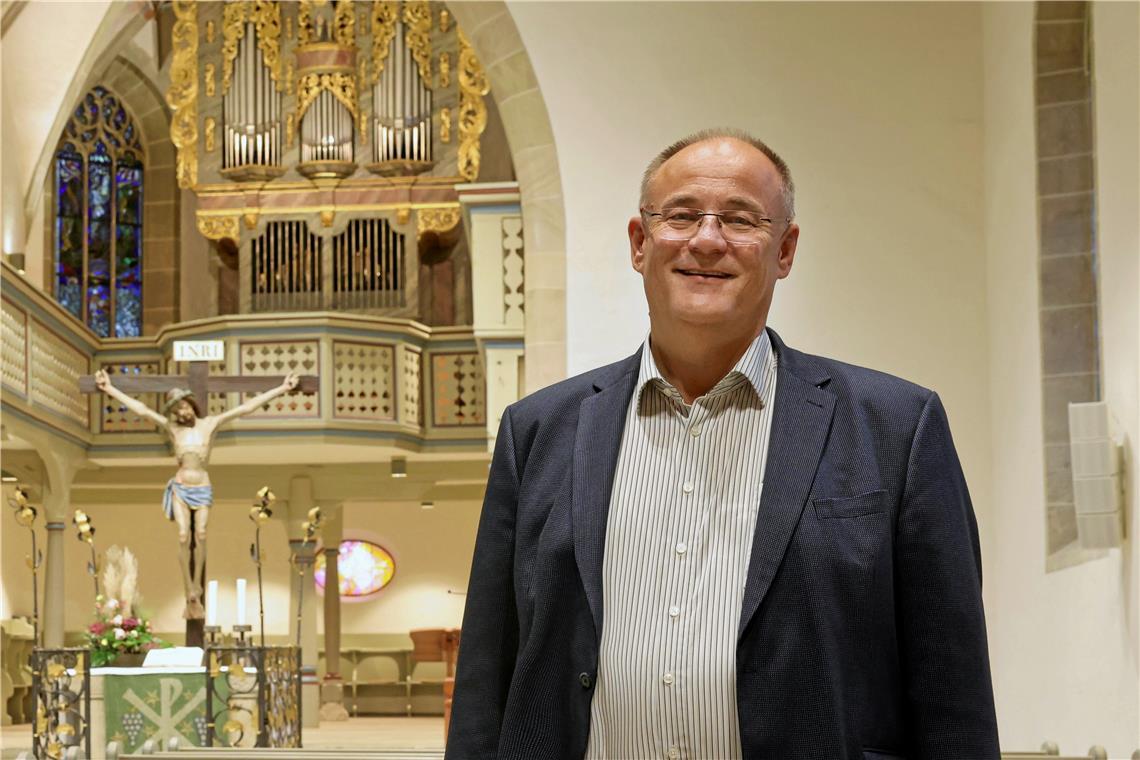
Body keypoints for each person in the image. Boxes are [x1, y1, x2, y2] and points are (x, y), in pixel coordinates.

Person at [446, 128, 999, 760]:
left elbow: (954, 699)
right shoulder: (540, 430)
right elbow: (487, 681)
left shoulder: (896, 428)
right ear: (639, 241)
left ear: (784, 250)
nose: (707, 240)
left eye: (741, 220)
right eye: (681, 216)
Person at [94, 370, 299, 618]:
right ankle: (189, 587)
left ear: (191, 404)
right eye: (177, 410)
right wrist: (109, 389)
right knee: (183, 536)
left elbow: (245, 408)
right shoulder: (173, 429)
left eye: (184, 406)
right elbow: (142, 410)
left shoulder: (209, 424)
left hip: (201, 486)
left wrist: (281, 388)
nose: (182, 412)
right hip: (181, 486)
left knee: (200, 534)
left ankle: (197, 589)